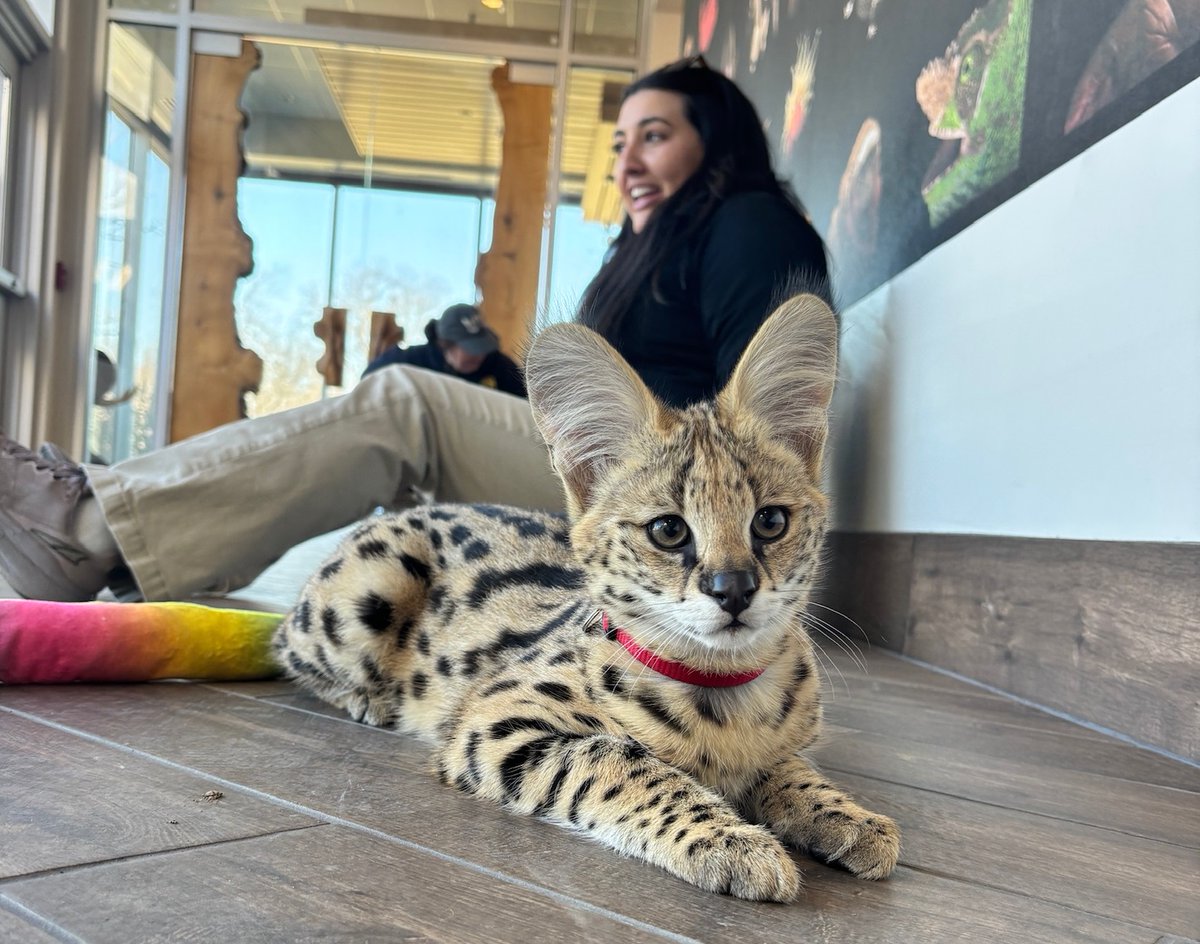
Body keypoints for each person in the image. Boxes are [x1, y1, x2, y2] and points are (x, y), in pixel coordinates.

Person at [0, 56, 829, 604]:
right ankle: (137, 540)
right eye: (619, 144)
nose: (628, 164)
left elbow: (744, 439)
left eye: (655, 136)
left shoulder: (749, 224)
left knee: (408, 404)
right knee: (404, 413)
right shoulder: (658, 247)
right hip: (630, 490)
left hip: (669, 507)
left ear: (714, 143)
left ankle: (92, 527)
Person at [364, 303, 526, 398]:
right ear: (445, 346)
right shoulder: (413, 361)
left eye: (483, 346)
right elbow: (369, 381)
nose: (479, 355)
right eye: (471, 349)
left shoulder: (501, 367)